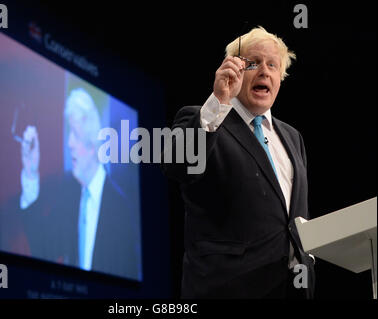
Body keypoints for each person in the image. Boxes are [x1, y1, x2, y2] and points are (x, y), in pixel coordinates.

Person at [162, 26, 315, 298]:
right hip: (228, 288)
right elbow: (177, 164)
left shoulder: (293, 138)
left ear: (280, 76)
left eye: (272, 65)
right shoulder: (204, 118)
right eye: (253, 63)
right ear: (234, 69)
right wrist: (219, 101)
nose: (264, 71)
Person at [18, 88, 141, 281]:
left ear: (93, 144)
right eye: (69, 133)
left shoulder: (121, 208)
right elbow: (43, 248)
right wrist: (31, 172)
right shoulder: (69, 193)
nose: (69, 143)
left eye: (74, 134)